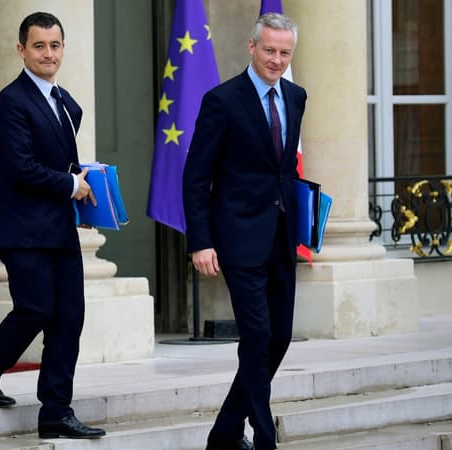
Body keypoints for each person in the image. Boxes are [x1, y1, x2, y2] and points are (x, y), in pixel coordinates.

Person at [0, 11, 105, 440]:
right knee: (37, 308)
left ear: (63, 49)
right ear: (21, 49)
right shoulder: (10, 101)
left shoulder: (65, 102)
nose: (48, 53)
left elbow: (59, 161)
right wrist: (71, 185)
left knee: (70, 316)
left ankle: (56, 413)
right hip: (21, 228)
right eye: (39, 45)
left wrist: (87, 184)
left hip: (58, 226)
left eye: (55, 45)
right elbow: (21, 167)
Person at [183, 12, 306, 450]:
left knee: (279, 338)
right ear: (251, 47)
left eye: (284, 52)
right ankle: (263, 437)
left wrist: (307, 211)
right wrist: (200, 240)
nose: (276, 59)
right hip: (237, 239)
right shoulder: (222, 100)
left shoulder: (295, 96)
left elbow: (285, 167)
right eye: (269, 50)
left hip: (281, 236)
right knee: (256, 336)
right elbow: (196, 177)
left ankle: (224, 433)